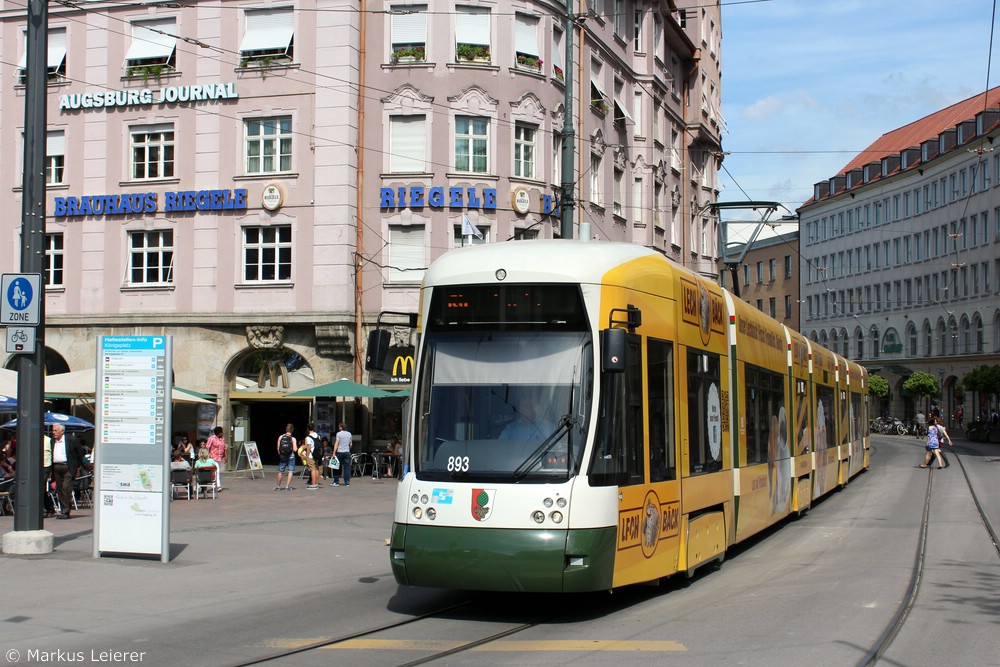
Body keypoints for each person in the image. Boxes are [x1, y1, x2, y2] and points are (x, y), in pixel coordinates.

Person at [50, 424, 85, 519]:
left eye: (55, 430)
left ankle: (66, 510)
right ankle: (64, 510)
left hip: (68, 467)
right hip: (57, 467)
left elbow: (80, 453)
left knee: (66, 487)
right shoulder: (52, 441)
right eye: (53, 430)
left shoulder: (71, 440)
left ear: (62, 431)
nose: (53, 432)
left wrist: (78, 467)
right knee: (60, 489)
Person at [275, 423, 297, 491]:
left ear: (286, 429)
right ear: (292, 430)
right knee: (290, 471)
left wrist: (281, 454)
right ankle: (287, 486)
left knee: (280, 471)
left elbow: (278, 448)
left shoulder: (281, 437)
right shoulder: (293, 439)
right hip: (291, 456)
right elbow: (295, 449)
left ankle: (278, 486)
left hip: (283, 456)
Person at [330, 422, 352, 487]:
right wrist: (348, 449)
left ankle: (336, 481)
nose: (339, 427)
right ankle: (347, 482)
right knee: (347, 468)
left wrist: (334, 452)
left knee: (336, 467)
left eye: (339, 426)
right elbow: (351, 444)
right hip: (347, 452)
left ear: (341, 427)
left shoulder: (338, 434)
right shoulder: (349, 434)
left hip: (340, 452)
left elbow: (336, 443)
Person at [205, 427, 227, 491]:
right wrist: (207, 456)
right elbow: (207, 447)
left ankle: (214, 485)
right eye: (221, 432)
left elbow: (224, 447)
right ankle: (218, 486)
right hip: (213, 457)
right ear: (219, 433)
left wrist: (225, 456)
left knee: (216, 471)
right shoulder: (211, 438)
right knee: (217, 471)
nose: (222, 433)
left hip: (219, 457)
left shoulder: (222, 439)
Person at [301, 423, 321, 490]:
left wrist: (306, 455)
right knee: (316, 469)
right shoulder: (318, 435)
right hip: (317, 454)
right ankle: (317, 483)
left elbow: (308, 447)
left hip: (311, 455)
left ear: (308, 428)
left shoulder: (308, 437)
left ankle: (313, 484)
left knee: (312, 469)